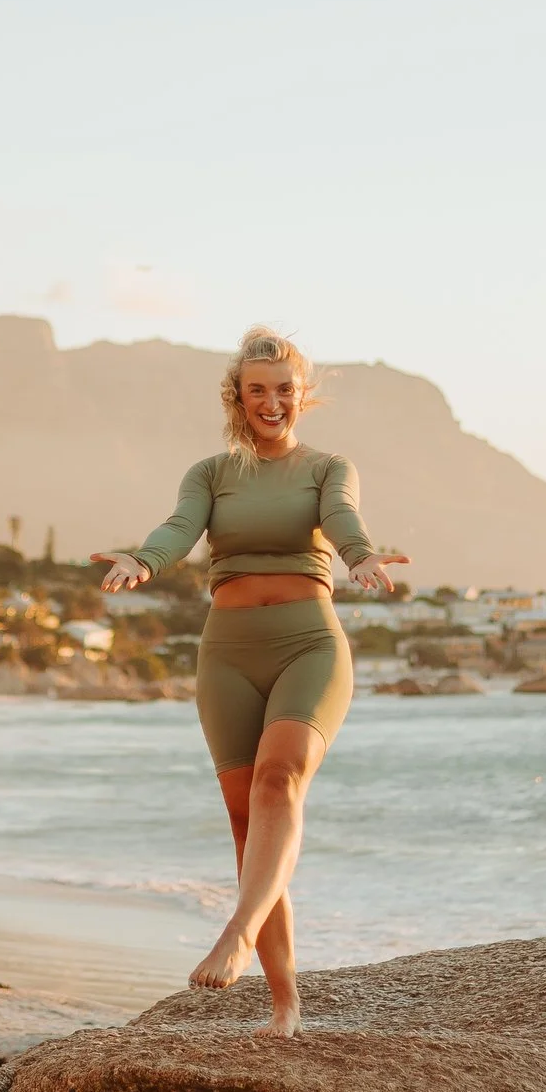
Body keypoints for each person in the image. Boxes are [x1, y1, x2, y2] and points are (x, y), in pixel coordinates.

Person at [90, 326, 409, 1036]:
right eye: (257, 389)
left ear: (303, 395)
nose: (272, 401)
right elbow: (180, 528)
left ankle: (236, 930)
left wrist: (358, 557)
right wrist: (144, 561)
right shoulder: (211, 473)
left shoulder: (329, 467)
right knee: (247, 825)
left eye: (284, 389)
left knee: (279, 779)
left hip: (309, 643)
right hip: (227, 651)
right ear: (238, 394)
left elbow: (343, 519)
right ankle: (285, 1003)